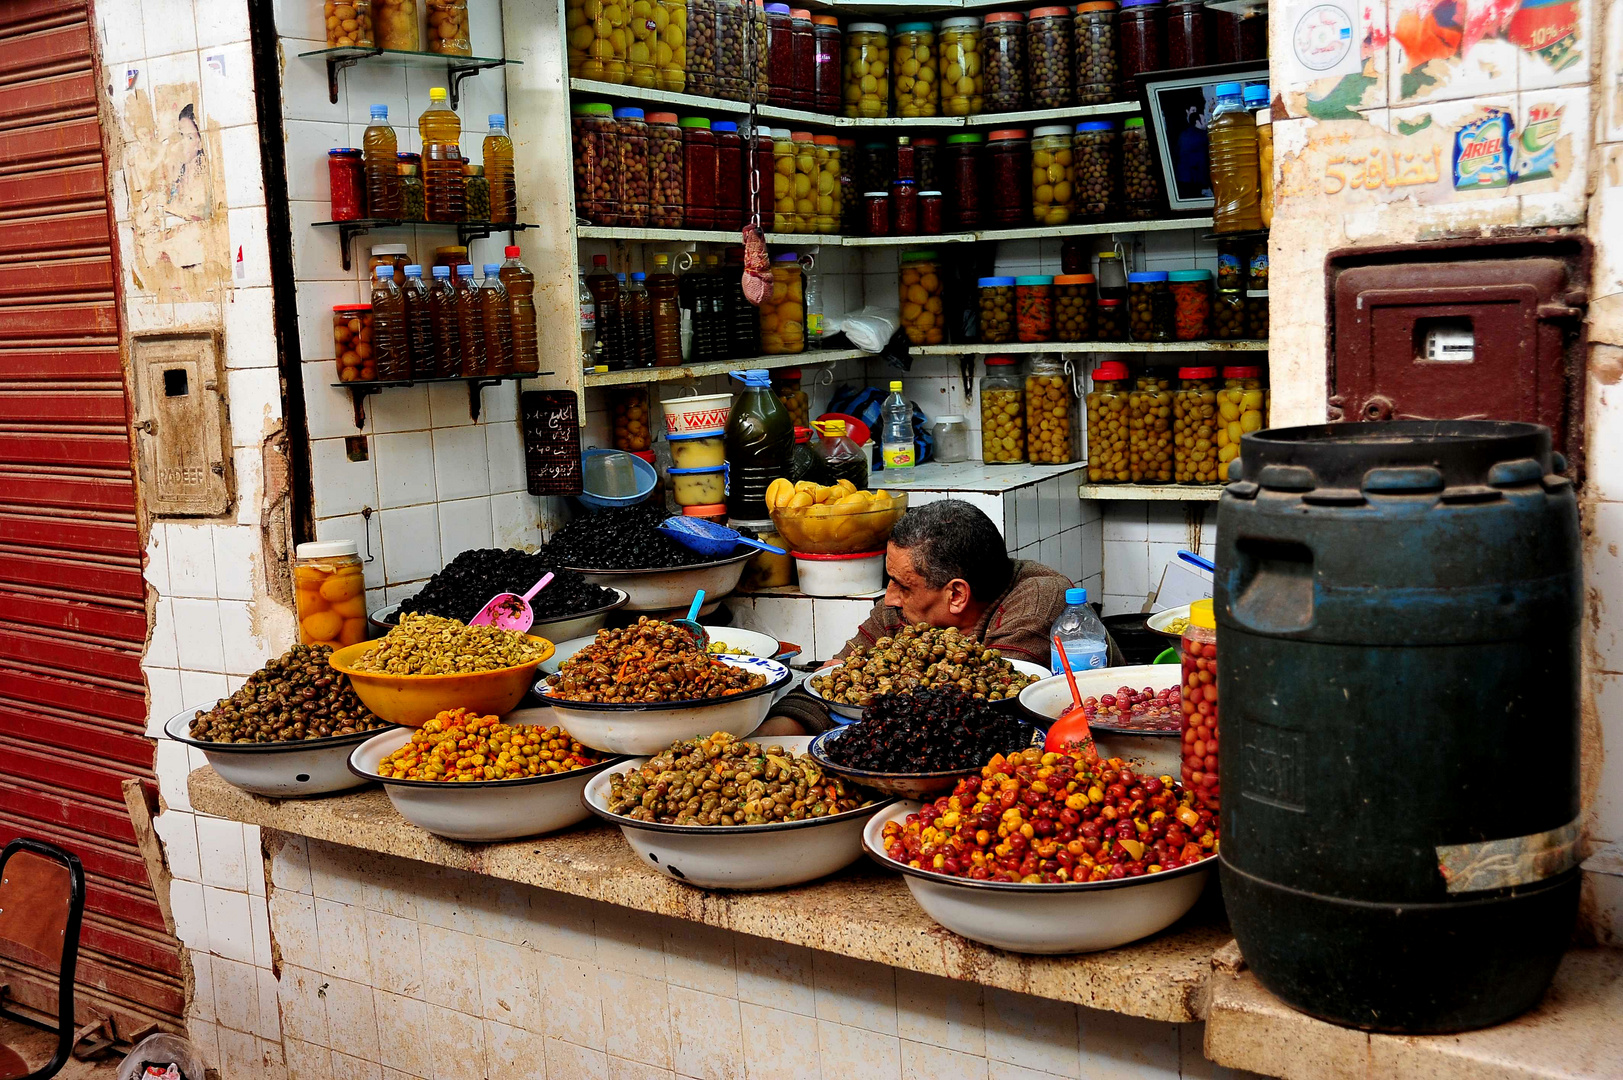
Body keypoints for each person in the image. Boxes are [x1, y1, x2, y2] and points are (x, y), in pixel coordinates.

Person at [760, 499, 1077, 735]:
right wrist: (758, 743)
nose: (889, 597)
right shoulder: (903, 609)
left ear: (956, 595)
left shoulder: (1038, 601)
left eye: (901, 585)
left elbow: (977, 715)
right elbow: (831, 685)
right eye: (890, 580)